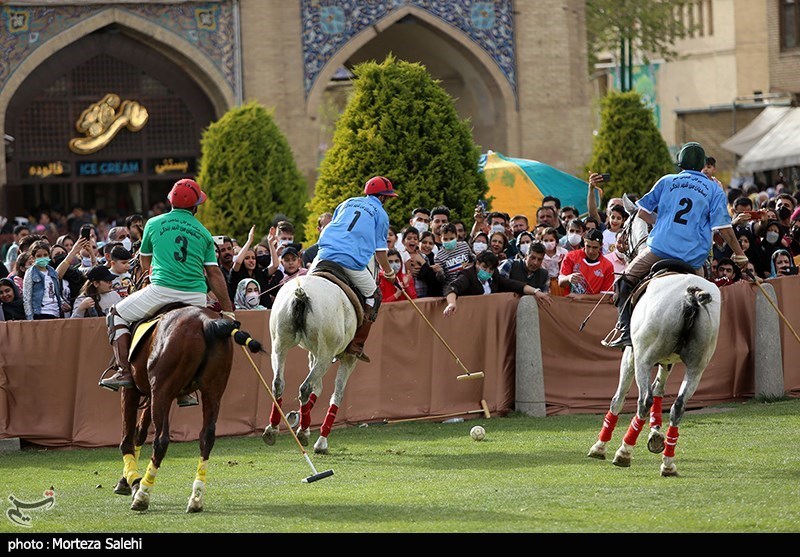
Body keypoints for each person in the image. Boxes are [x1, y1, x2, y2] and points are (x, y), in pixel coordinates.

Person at [599, 142, 749, 349]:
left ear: (680, 163)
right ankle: (706, 343)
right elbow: (725, 229)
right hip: (693, 257)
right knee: (706, 299)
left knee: (624, 281)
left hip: (660, 250)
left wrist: (660, 222)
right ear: (701, 165)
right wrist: (741, 257)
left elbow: (642, 212)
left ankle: (625, 331)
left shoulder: (667, 181)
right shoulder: (714, 189)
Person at [99, 178, 235, 395]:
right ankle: (188, 391)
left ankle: (124, 370)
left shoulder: (153, 224)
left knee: (115, 314)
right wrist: (228, 309)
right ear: (194, 207)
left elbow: (145, 261)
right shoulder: (204, 233)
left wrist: (149, 275)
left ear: (170, 201)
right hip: (196, 297)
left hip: (161, 290)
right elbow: (214, 273)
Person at [310, 175, 398, 362]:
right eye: (387, 197)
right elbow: (380, 252)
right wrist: (389, 273)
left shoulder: (346, 202)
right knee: (375, 296)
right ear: (382, 197)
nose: (387, 201)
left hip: (324, 254)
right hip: (350, 261)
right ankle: (355, 344)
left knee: (305, 285)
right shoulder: (381, 214)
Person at [442, 251, 547, 316]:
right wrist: (451, 303)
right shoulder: (467, 275)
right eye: (484, 267)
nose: (487, 272)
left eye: (491, 269)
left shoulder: (494, 276)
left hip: (489, 317)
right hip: (469, 316)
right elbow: (453, 287)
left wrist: (536, 291)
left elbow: (513, 284)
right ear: (477, 263)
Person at [557, 228, 615, 296]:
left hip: (593, 304)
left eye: (595, 247)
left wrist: (582, 297)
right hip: (571, 302)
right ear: (584, 242)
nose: (590, 251)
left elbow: (606, 296)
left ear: (601, 245)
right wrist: (568, 278)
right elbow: (560, 282)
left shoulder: (608, 266)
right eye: (588, 246)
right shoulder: (571, 256)